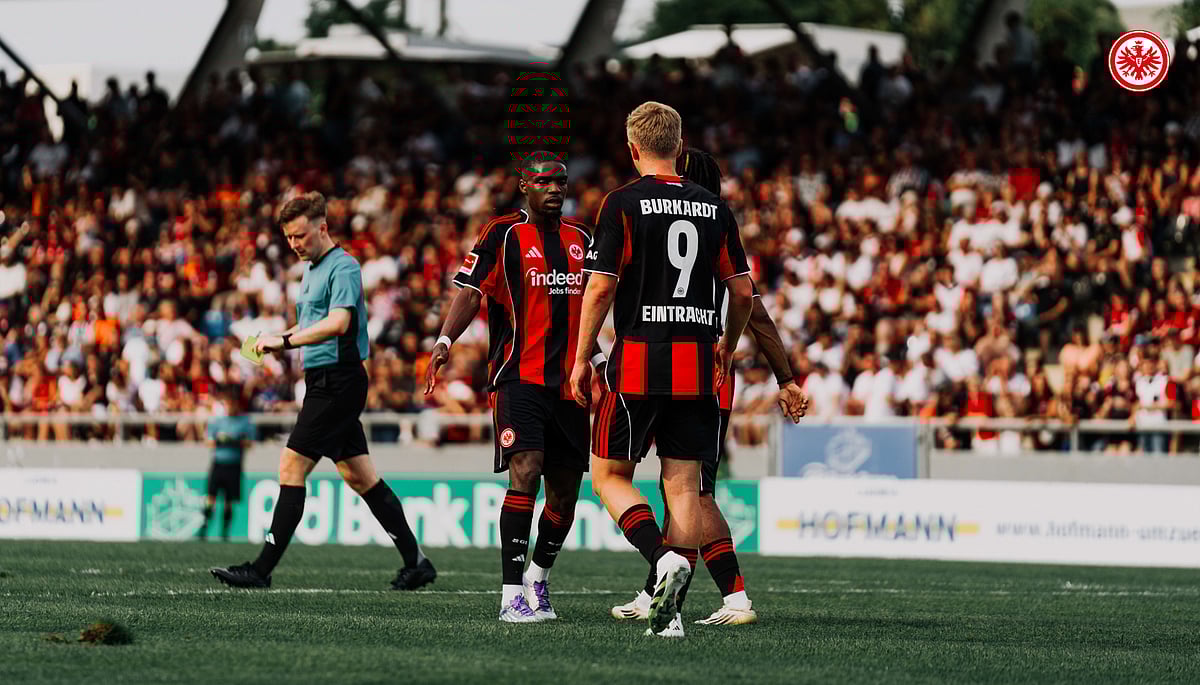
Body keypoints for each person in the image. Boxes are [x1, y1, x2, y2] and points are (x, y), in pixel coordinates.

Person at [570, 102, 755, 638]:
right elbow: (741, 290)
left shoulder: (621, 202)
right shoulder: (714, 207)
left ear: (632, 149)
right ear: (680, 145)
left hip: (638, 360)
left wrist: (582, 358)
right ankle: (669, 616)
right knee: (683, 487)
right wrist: (726, 344)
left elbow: (601, 286)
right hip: (697, 363)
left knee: (608, 476)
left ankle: (659, 561)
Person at [610, 147, 808, 627]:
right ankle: (659, 587)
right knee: (682, 488)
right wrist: (784, 377)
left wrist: (784, 377)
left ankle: (733, 597)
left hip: (693, 370)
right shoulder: (715, 227)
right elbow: (753, 307)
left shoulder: (687, 229)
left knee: (692, 491)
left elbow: (752, 308)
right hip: (702, 371)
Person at [211, 192, 434, 590]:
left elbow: (338, 324)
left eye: (301, 235)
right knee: (361, 477)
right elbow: (311, 327)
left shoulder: (343, 266)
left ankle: (260, 570)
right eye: (290, 238)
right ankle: (416, 562)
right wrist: (272, 343)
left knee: (291, 466)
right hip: (323, 379)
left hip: (339, 381)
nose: (295, 244)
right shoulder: (311, 270)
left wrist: (283, 341)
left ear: (322, 227)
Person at [427, 151, 600, 623]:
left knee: (565, 492)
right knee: (526, 469)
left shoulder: (583, 239)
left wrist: (598, 360)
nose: (556, 189)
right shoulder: (502, 234)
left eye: (562, 182)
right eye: (545, 182)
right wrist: (444, 340)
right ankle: (509, 596)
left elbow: (591, 309)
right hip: (517, 377)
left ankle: (537, 581)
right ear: (524, 186)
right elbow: (470, 291)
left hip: (570, 385)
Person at [197, 385, 255, 541]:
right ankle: (204, 526)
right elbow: (208, 442)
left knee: (229, 501)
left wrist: (235, 441)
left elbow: (250, 443)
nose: (230, 406)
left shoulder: (244, 422)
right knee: (211, 497)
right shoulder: (218, 421)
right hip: (219, 463)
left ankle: (225, 531)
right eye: (227, 403)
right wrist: (219, 440)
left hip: (234, 465)